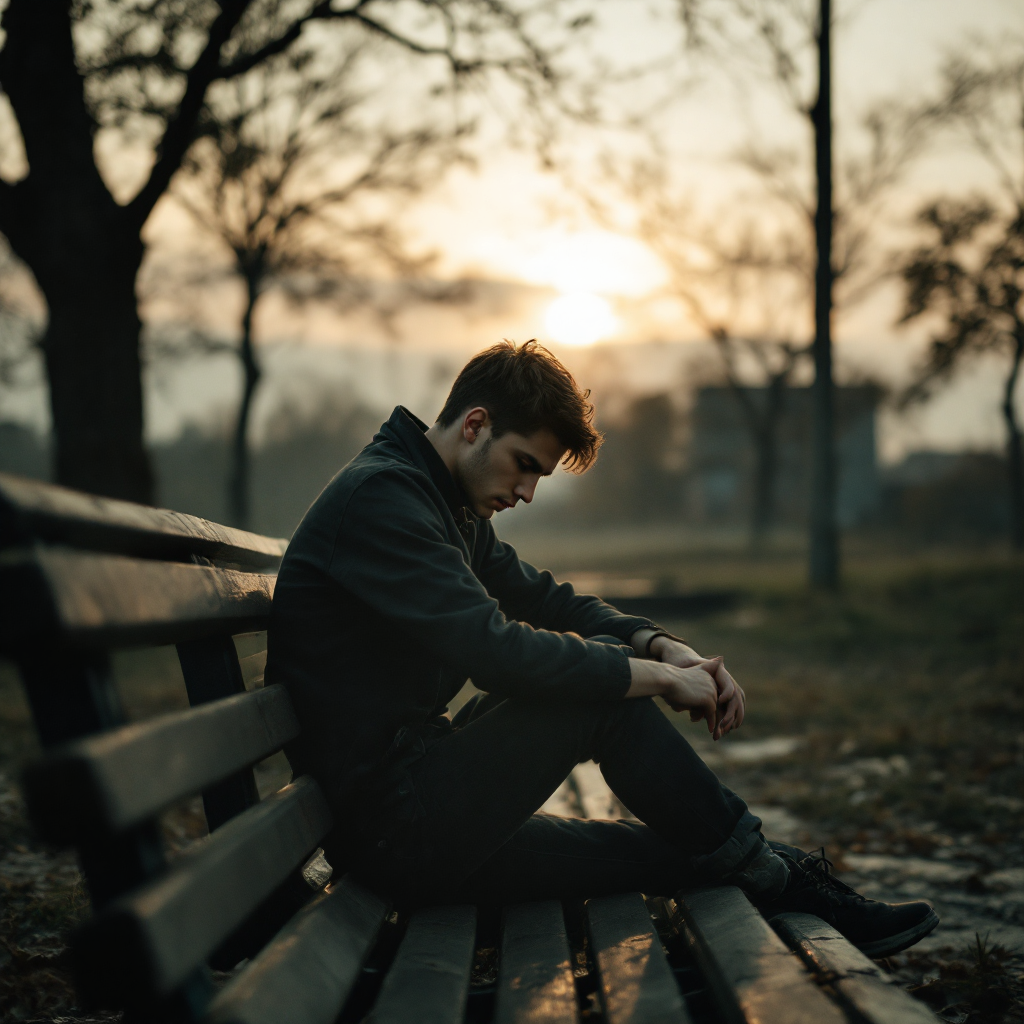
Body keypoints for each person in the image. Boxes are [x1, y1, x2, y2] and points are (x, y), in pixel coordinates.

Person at [267, 340, 939, 958]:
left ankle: (782, 870)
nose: (527, 493)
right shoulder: (386, 501)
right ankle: (781, 879)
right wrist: (646, 677)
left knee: (656, 853)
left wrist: (660, 645)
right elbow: (495, 652)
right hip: (396, 832)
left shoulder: (442, 502)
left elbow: (546, 599)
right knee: (603, 702)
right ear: (475, 426)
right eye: (524, 465)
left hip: (417, 802)